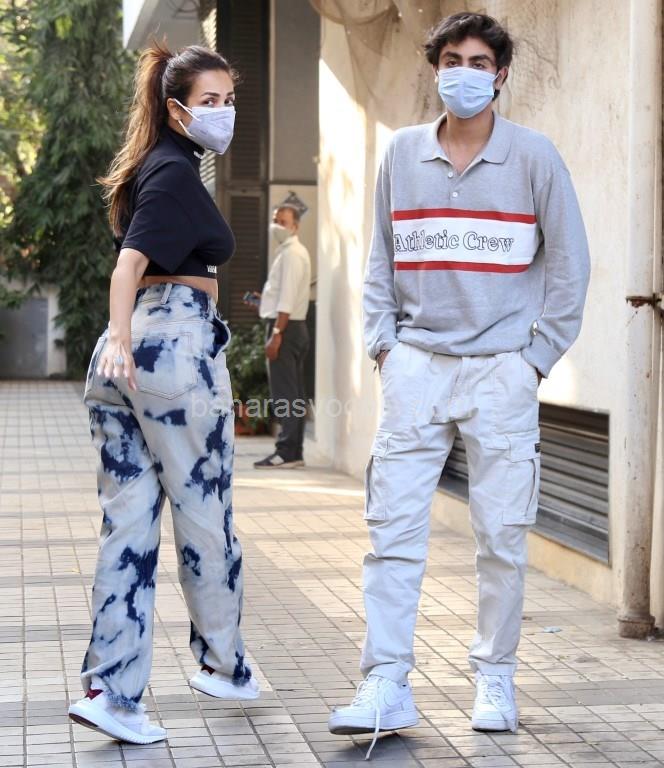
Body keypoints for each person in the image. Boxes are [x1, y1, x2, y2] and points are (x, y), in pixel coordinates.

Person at [328, 12, 590, 758]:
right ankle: (385, 681)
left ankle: (495, 677)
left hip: (502, 372)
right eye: (452, 59)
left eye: (479, 62)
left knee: (501, 537)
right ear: (435, 67)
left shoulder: (534, 157)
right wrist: (385, 348)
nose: (465, 73)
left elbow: (571, 266)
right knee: (392, 534)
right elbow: (380, 259)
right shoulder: (401, 153)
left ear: (500, 76)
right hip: (416, 368)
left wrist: (535, 359)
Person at [67, 42, 259, 746]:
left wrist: (118, 344)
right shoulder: (174, 172)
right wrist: (122, 335)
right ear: (176, 108)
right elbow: (129, 265)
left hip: (125, 363)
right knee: (205, 512)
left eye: (228, 100)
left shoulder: (153, 165)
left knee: (128, 528)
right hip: (170, 350)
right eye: (210, 102)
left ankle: (113, 695)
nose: (223, 112)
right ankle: (224, 666)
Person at [247, 204, 311, 469]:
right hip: (291, 326)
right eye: (275, 220)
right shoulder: (289, 252)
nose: (277, 225)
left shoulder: (292, 254)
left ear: (295, 226)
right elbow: (283, 296)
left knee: (285, 395)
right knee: (294, 394)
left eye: (282, 221)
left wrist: (276, 334)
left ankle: (286, 451)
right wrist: (264, 303)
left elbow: (287, 299)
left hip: (286, 329)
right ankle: (294, 452)